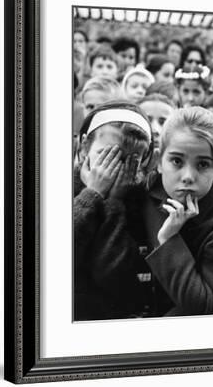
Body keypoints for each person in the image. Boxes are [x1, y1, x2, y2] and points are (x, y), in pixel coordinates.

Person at [139, 106, 213, 316]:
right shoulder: (150, 193)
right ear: (159, 162)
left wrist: (169, 239)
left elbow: (200, 304)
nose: (188, 176)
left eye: (202, 164)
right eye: (177, 161)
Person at [73, 101, 154, 320]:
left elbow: (112, 274)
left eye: (126, 162)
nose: (112, 171)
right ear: (83, 147)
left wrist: (114, 202)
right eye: (105, 156)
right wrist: (92, 194)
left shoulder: (140, 203)